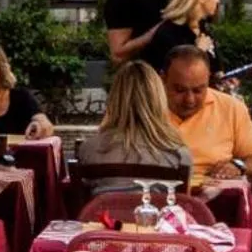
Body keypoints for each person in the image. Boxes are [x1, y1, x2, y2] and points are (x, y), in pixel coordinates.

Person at [76, 61, 194, 191]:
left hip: (107, 211)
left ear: (115, 98)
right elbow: (183, 206)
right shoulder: (178, 155)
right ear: (158, 99)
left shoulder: (88, 150)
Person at [162, 46, 252, 181]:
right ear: (163, 79)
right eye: (180, 90)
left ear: (208, 79)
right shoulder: (143, 107)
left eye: (198, 90)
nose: (189, 100)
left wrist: (238, 166)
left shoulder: (230, 108)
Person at [146, 0, 220, 73]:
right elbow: (178, 77)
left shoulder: (203, 29)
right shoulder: (168, 34)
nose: (218, 0)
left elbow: (215, 66)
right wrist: (198, 52)